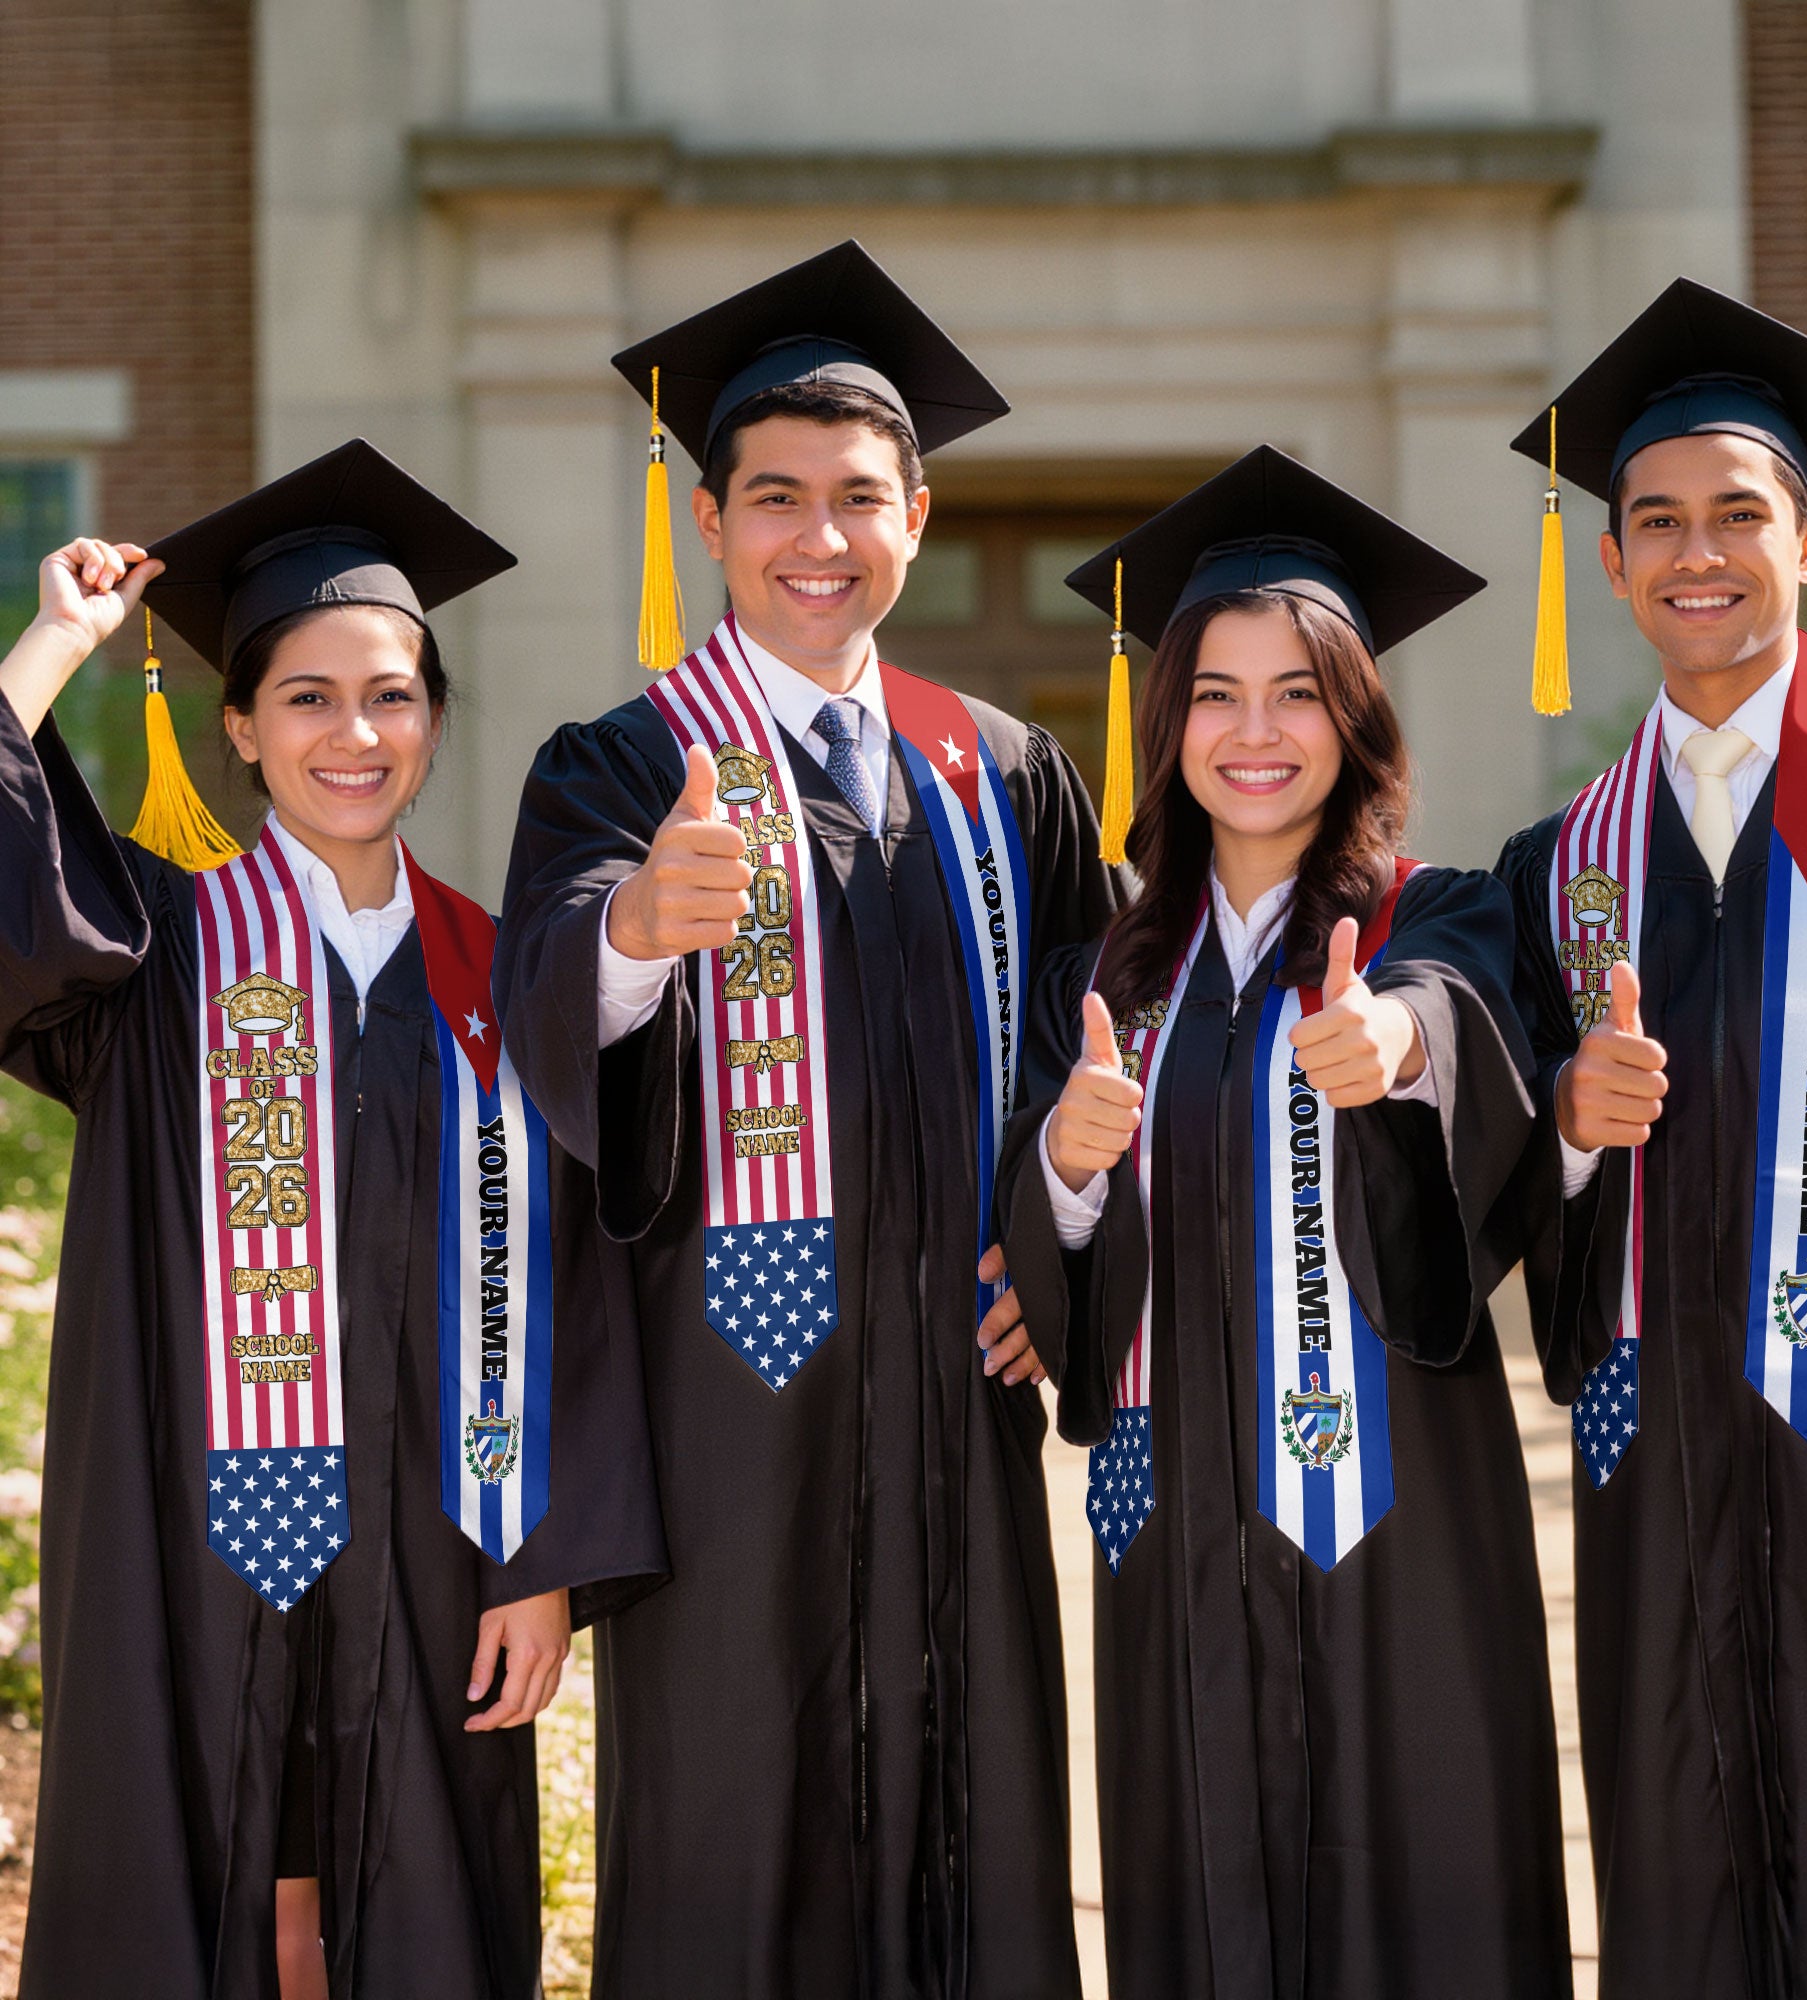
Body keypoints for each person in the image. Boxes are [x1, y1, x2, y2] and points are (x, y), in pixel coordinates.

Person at [494, 241, 1120, 1998]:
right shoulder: (620, 765)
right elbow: (549, 1004)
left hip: (956, 1400)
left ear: (917, 515)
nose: (818, 538)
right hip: (731, 1416)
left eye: (860, 498)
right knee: (734, 1838)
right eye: (776, 498)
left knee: (976, 1820)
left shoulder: (1001, 769)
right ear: (710, 522)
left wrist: (1064, 1243)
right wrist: (632, 932)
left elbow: (1112, 1030)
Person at [0, 440, 664, 2000]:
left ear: (434, 719)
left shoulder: (509, 978)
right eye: (305, 697)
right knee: (198, 1868)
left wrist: (545, 1560)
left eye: (391, 694)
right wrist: (52, 647)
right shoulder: (152, 953)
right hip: (188, 1534)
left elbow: (581, 1278)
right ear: (238, 726)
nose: (352, 733)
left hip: (443, 1547)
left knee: (421, 1896)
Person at [996, 446, 1572, 1999]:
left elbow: (1463, 1024)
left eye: (1300, 692)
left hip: (1400, 1521)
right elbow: (1050, 1247)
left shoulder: (1438, 915)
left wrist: (1395, 1047)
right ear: (1166, 720)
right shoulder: (1105, 977)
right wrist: (1063, 1158)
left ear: (1357, 717)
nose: (1257, 734)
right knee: (1199, 1892)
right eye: (1216, 694)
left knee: (1425, 1889)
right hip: (1169, 1514)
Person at [1496, 279, 1807, 1999]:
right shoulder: (1564, 861)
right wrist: (1563, 1125)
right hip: (1658, 1468)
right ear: (1616, 562)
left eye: (1737, 515)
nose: (1694, 552)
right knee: (1682, 1883)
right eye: (1655, 522)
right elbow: (1492, 1170)